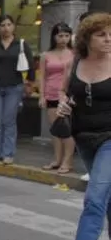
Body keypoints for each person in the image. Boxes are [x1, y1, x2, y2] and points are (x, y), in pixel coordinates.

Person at [58, 12, 111, 240]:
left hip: (110, 139)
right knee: (106, 194)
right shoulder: (76, 62)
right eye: (102, 34)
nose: (108, 38)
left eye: (110, 34)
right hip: (83, 137)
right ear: (88, 37)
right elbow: (64, 92)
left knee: (95, 196)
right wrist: (64, 103)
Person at [0, 15, 35, 164]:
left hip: (14, 86)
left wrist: (30, 84)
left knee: (9, 120)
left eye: (9, 24)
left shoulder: (21, 44)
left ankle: (8, 153)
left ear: (13, 27)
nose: (6, 28)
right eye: (3, 25)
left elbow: (31, 65)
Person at [39, 22, 75, 173]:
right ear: (54, 37)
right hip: (51, 93)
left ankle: (68, 161)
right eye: (60, 36)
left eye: (67, 36)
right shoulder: (46, 55)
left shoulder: (74, 54)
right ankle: (57, 159)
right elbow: (42, 76)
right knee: (55, 129)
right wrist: (41, 95)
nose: (63, 39)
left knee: (67, 129)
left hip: (68, 95)